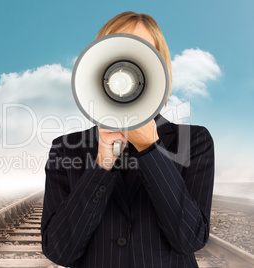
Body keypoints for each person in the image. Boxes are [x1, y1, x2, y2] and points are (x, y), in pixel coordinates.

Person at [41, 11, 215, 268]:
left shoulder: (193, 140)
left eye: (143, 49)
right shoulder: (66, 149)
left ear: (160, 68)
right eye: (119, 45)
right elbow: (59, 251)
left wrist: (150, 150)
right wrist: (101, 165)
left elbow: (190, 239)